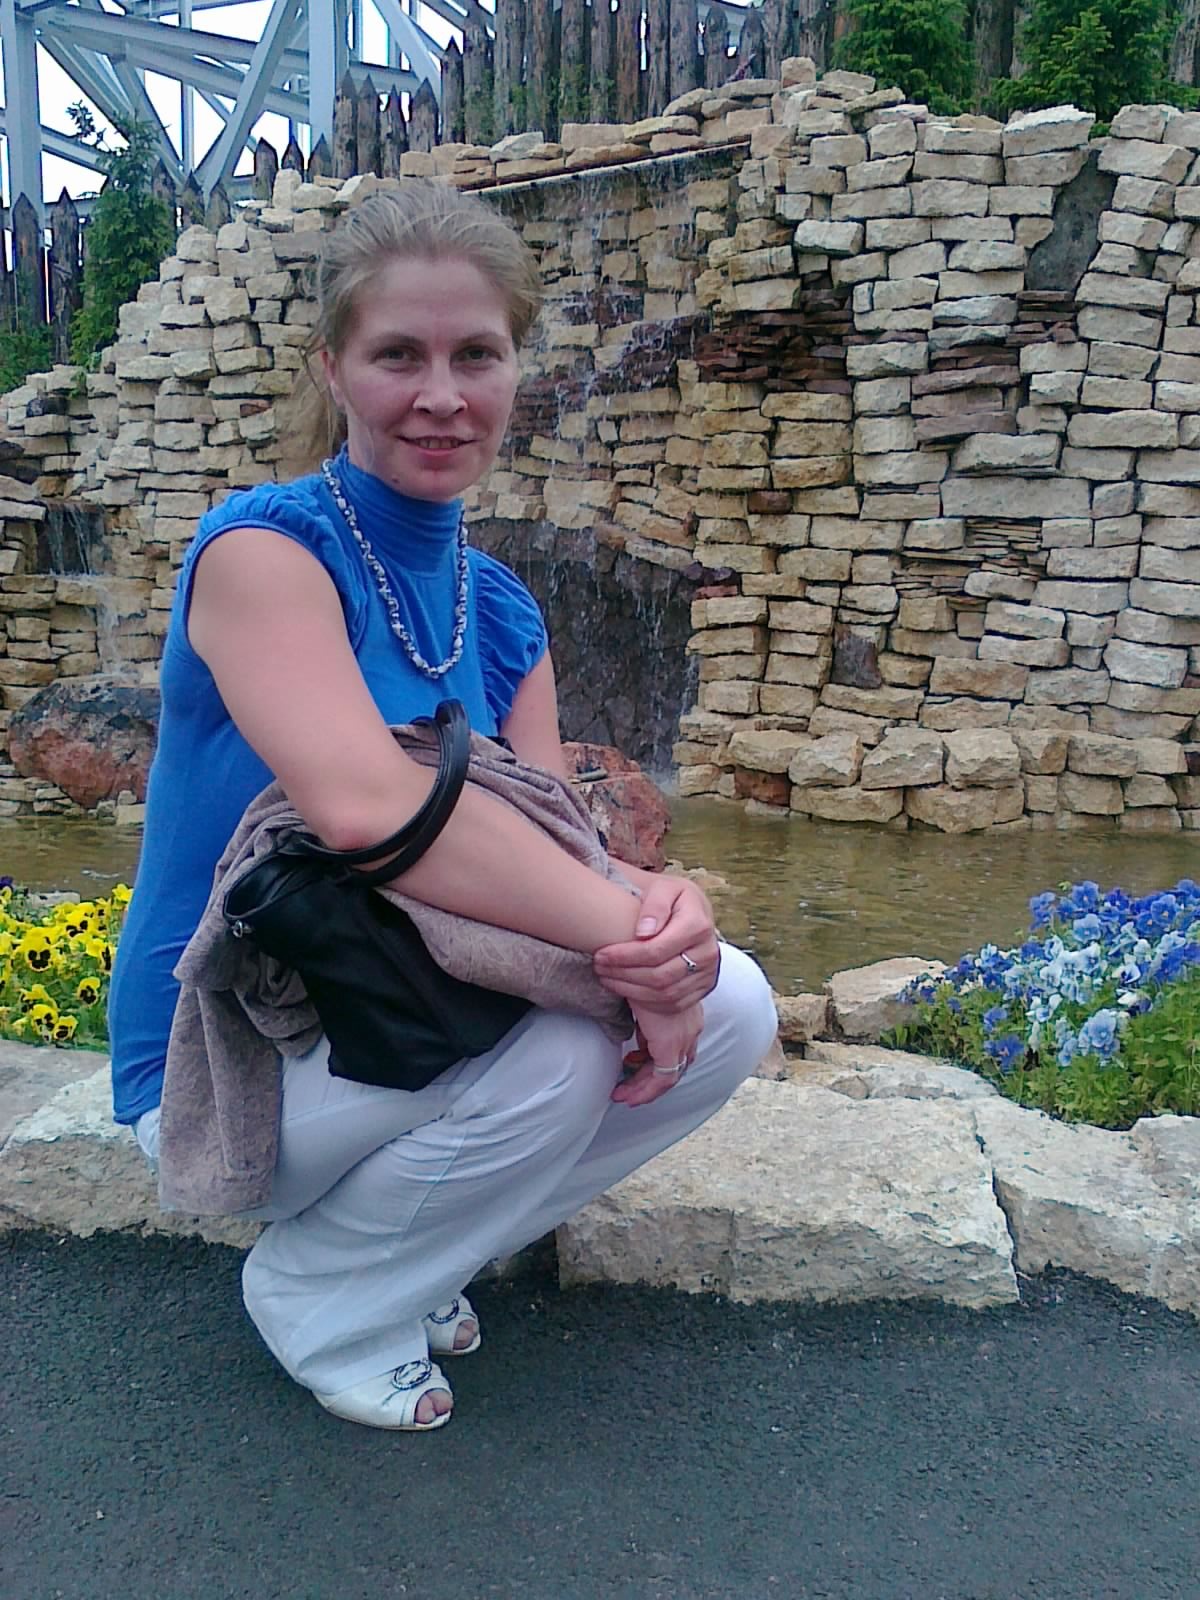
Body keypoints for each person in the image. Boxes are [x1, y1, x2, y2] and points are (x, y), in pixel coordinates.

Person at [108, 180, 778, 1432]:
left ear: (519, 368)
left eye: (476, 354)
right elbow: (368, 808)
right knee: (568, 1043)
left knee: (735, 1003)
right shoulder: (263, 553)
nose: (442, 394)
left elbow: (548, 838)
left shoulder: (503, 608)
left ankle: (408, 1257)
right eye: (397, 356)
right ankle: (318, 1294)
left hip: (401, 1006)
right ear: (333, 367)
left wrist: (667, 916)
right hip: (231, 1052)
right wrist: (630, 943)